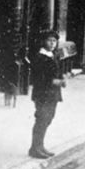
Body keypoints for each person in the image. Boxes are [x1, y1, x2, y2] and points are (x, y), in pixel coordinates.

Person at [29, 30, 66, 159]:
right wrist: (56, 81)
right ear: (43, 41)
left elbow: (57, 71)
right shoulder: (40, 57)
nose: (52, 44)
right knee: (42, 119)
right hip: (42, 93)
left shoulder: (53, 55)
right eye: (49, 41)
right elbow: (38, 78)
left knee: (48, 119)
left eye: (54, 41)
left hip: (53, 93)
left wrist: (62, 79)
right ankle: (35, 148)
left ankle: (40, 146)